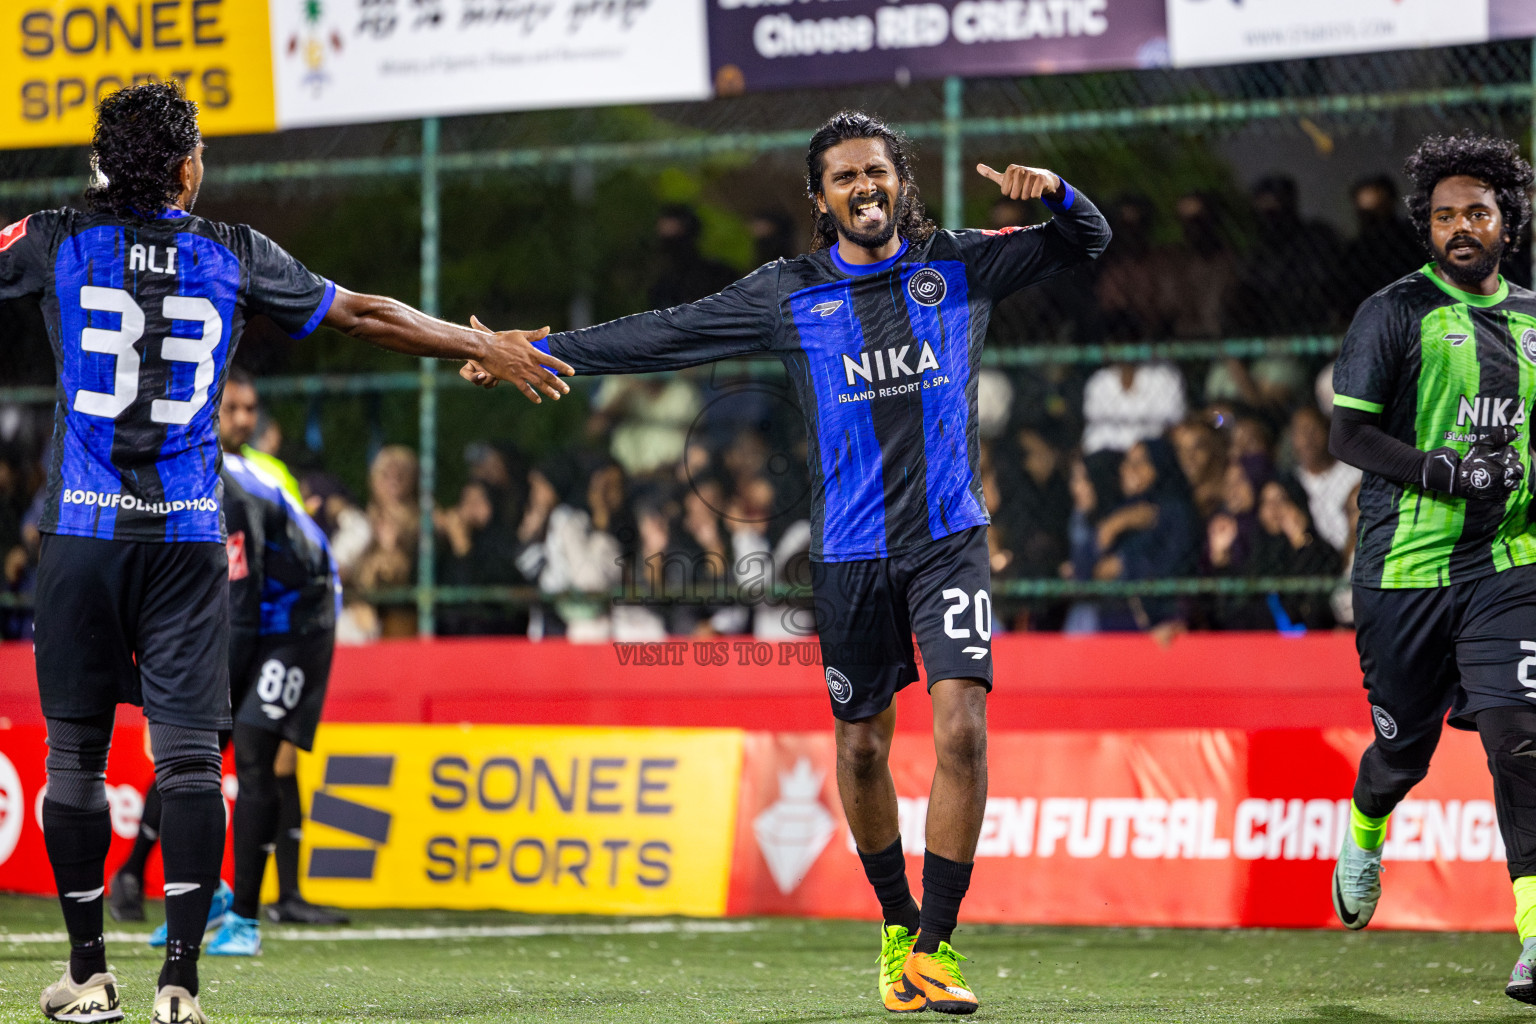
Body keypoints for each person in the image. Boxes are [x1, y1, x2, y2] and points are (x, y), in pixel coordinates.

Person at [464, 109, 1110, 1015]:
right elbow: (666, 331)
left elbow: (1089, 239)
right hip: (847, 555)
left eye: (876, 171)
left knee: (962, 727)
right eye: (844, 177)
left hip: (948, 541)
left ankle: (937, 946)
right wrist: (534, 350)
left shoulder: (959, 264)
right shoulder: (787, 292)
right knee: (861, 747)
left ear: (900, 181)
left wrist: (1059, 193)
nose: (864, 187)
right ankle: (895, 926)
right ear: (821, 198)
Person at [0, 82, 567, 1024]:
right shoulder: (236, 253)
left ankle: (89, 976)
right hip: (188, 539)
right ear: (187, 169)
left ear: (105, 164)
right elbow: (369, 314)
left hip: (82, 538)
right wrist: (484, 344)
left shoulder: (55, 237)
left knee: (75, 762)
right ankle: (179, 986)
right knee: (187, 763)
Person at [1326, 131, 1536, 1007]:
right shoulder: (1394, 312)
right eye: (1445, 214)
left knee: (1520, 738)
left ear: (1507, 224)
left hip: (1510, 563)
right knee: (1400, 753)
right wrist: (1443, 470)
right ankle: (1366, 830)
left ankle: (1535, 942)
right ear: (1427, 226)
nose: (1460, 226)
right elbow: (1349, 435)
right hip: (1403, 571)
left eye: (1477, 213)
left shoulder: (1532, 320)